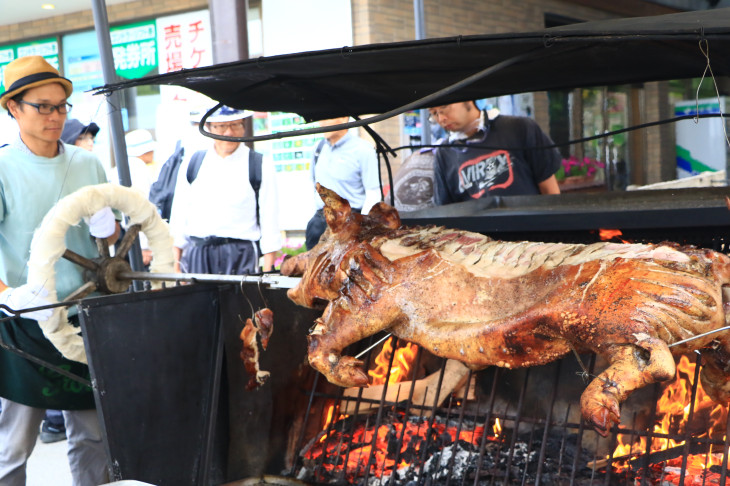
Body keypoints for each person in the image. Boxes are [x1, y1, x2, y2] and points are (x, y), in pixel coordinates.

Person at [0, 55, 118, 486]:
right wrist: (8, 295)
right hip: (26, 320)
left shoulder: (87, 164)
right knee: (14, 442)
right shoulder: (3, 168)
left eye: (62, 106)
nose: (55, 116)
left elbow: (106, 242)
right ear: (13, 107)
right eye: (42, 106)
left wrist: (109, 225)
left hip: (88, 317)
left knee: (92, 435)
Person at [169, 105, 281, 275]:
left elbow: (269, 219)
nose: (229, 132)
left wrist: (267, 269)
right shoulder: (193, 162)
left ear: (243, 126)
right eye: (221, 126)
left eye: (235, 125)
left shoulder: (259, 164)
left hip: (241, 254)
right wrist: (176, 263)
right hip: (199, 253)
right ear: (208, 128)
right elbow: (179, 213)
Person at [429, 101, 561, 205]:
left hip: (532, 233)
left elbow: (550, 190)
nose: (441, 119)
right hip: (479, 238)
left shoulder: (519, 128)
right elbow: (446, 211)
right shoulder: (444, 154)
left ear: (467, 100)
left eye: (444, 109)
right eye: (434, 113)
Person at [305, 117, 381, 250]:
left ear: (343, 118)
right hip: (320, 222)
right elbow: (312, 184)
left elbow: (373, 193)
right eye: (321, 118)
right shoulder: (318, 149)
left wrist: (361, 228)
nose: (321, 122)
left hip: (350, 222)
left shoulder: (363, 149)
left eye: (327, 117)